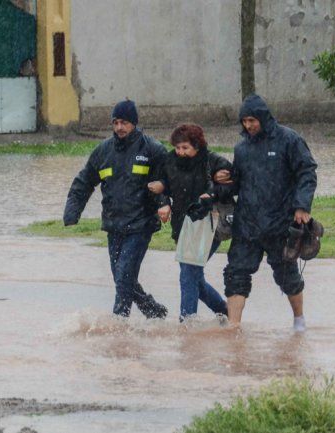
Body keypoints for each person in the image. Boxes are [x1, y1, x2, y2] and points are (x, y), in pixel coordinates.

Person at [63, 100, 169, 319]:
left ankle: (119, 326)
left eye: (125, 123)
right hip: (114, 226)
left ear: (134, 123)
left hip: (141, 225)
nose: (120, 127)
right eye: (116, 122)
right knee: (122, 278)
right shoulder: (103, 152)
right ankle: (154, 312)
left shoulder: (152, 149)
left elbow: (167, 180)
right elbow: (83, 182)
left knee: (123, 276)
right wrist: (72, 213)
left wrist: (164, 204)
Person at [223, 94, 317, 332]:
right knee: (236, 274)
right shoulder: (241, 148)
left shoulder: (289, 140)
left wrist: (302, 206)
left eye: (252, 120)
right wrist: (222, 181)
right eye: (244, 121)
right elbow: (238, 183)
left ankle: (299, 321)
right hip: (246, 225)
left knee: (287, 276)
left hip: (280, 224)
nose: (248, 126)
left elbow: (307, 172)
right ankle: (233, 328)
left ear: (264, 117)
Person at [147, 123, 231, 322]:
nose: (180, 152)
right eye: (177, 147)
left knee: (189, 274)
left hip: (209, 225)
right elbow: (162, 186)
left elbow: (234, 184)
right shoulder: (169, 161)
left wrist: (212, 191)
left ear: (197, 145)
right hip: (181, 226)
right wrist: (164, 203)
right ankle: (225, 312)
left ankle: (187, 323)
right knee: (194, 278)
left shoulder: (214, 162)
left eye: (185, 148)